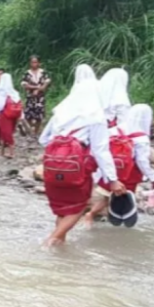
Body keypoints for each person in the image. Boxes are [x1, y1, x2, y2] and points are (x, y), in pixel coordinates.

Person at [39, 69, 126, 246]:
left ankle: (60, 246)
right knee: (78, 207)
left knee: (63, 209)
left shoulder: (60, 114)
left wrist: (61, 149)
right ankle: (51, 241)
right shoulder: (96, 117)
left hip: (52, 168)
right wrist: (113, 180)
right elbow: (101, 151)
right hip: (77, 169)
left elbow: (44, 140)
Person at [85, 104, 154, 226]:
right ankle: (119, 219)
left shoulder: (115, 129)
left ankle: (93, 215)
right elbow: (142, 161)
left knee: (106, 195)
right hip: (129, 173)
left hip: (111, 169)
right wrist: (153, 177)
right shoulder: (141, 137)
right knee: (125, 197)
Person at [0, 70, 20, 158]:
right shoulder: (14, 92)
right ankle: (2, 151)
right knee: (8, 132)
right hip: (14, 115)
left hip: (4, 115)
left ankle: (11, 152)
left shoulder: (2, 92)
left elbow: (0, 106)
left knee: (6, 132)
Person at [21, 55, 51, 135]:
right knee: (29, 115)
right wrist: (36, 87)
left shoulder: (43, 73)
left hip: (40, 98)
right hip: (30, 97)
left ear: (39, 63)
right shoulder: (27, 73)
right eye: (32, 62)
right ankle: (29, 131)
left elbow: (46, 84)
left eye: (35, 62)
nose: (34, 64)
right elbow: (25, 85)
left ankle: (36, 132)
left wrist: (38, 89)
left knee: (39, 116)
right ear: (30, 63)